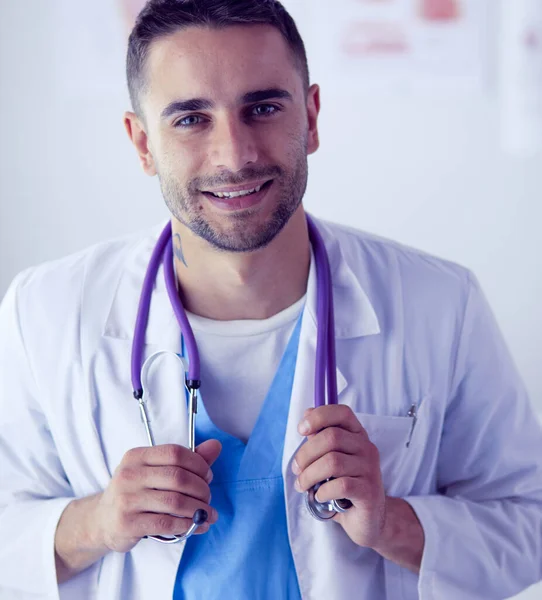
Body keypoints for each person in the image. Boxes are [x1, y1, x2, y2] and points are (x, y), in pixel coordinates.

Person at [0, 1, 541, 598]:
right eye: (190, 119)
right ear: (142, 143)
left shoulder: (441, 304)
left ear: (310, 116)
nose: (235, 156)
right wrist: (96, 523)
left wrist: (391, 522)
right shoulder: (43, 313)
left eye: (262, 108)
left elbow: (529, 522)